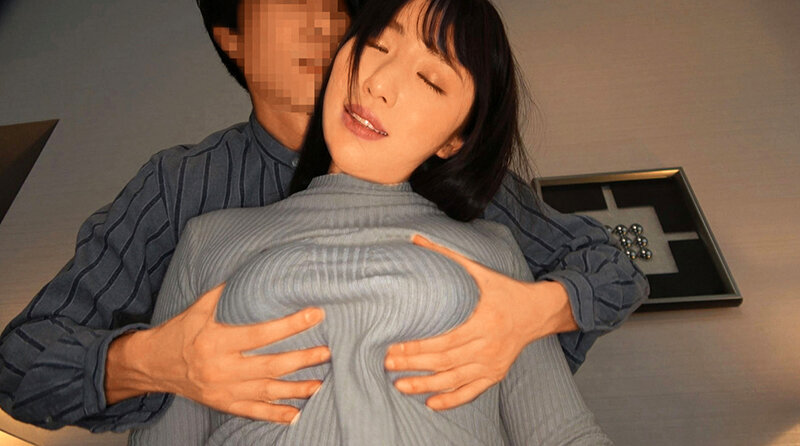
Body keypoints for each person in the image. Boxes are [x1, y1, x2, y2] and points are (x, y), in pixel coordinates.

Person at [0, 0, 647, 433]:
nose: (321, 20)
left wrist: (536, 311)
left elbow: (614, 265)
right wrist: (152, 362)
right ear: (231, 39)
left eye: (338, 4)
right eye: (288, 0)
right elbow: (20, 362)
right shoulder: (185, 192)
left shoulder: (469, 199)